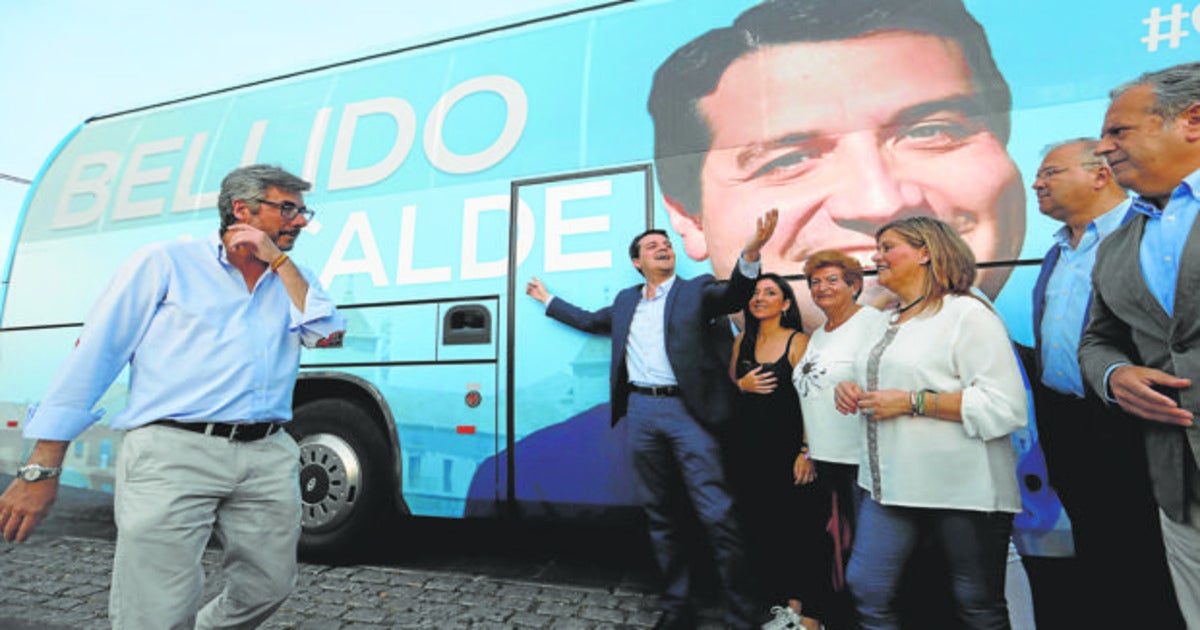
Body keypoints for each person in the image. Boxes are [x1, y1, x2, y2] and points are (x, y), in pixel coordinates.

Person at [0, 164, 346, 629]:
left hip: (267, 454)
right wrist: (42, 466)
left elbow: (326, 333)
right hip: (172, 452)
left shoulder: (293, 277)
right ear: (241, 209)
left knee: (269, 587)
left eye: (303, 211)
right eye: (287, 208)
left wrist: (280, 264)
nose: (300, 221)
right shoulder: (164, 263)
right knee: (155, 610)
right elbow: (97, 355)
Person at [648, 0, 1024, 331]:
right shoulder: (653, 409)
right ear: (689, 217)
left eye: (932, 131)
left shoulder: (1070, 403)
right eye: (789, 160)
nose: (881, 203)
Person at [525, 210, 777, 630]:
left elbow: (735, 294)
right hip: (641, 413)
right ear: (637, 262)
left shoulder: (696, 291)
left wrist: (751, 252)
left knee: (717, 513)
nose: (663, 247)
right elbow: (590, 320)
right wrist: (548, 299)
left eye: (667, 244)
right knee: (660, 514)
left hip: (688, 412)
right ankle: (678, 607)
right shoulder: (626, 301)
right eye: (652, 246)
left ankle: (740, 613)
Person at [834, 216, 1027, 629]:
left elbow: (1005, 406)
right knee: (867, 588)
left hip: (961, 489)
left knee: (977, 604)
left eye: (888, 247)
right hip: (889, 486)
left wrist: (912, 402)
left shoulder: (967, 314)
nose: (876, 256)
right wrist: (849, 389)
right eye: (878, 247)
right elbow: (889, 382)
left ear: (926, 252)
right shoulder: (884, 318)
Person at [1029, 139, 1183, 627]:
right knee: (1100, 550)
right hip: (1069, 421)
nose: (1037, 183)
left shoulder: (1146, 235)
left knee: (1151, 553)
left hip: (1138, 417)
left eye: (1050, 172)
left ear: (1099, 175)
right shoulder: (1056, 249)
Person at [1080, 61, 1200, 626]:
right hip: (1179, 484)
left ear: (1192, 121)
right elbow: (1098, 340)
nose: (1102, 149)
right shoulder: (1117, 243)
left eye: (1117, 132)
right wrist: (1114, 375)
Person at [726, 273, 822, 630]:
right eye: (754, 292)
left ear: (785, 304)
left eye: (770, 292)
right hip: (749, 454)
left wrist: (806, 450)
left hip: (789, 453)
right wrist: (742, 385)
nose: (759, 297)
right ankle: (780, 609)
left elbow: (814, 400)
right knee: (762, 529)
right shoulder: (742, 342)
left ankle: (804, 613)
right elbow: (731, 391)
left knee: (798, 530)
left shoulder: (799, 341)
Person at [793, 251, 886, 588]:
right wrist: (807, 450)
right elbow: (811, 396)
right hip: (825, 460)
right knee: (835, 555)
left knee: (864, 559)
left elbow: (888, 379)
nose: (822, 288)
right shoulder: (819, 335)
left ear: (855, 285)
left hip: (858, 462)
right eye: (815, 282)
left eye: (832, 280)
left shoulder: (873, 323)